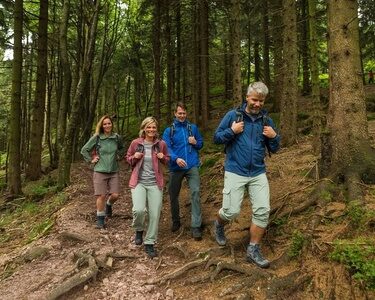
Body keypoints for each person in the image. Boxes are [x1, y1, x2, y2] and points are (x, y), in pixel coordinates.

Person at [213, 82, 280, 268]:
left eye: (261, 101)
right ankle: (219, 223)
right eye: (254, 100)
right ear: (247, 97)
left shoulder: (266, 120)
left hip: (258, 172)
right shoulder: (233, 116)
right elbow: (216, 138)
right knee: (231, 211)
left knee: (262, 211)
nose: (258, 104)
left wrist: (274, 137)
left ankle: (253, 249)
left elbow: (274, 148)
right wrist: (231, 131)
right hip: (235, 170)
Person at [126, 117, 170, 258]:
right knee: (139, 210)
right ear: (144, 128)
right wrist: (135, 156)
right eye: (148, 127)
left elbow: (167, 160)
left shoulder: (161, 144)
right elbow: (128, 158)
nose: (151, 130)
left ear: (156, 129)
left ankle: (149, 242)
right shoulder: (136, 143)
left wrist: (163, 157)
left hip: (155, 183)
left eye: (154, 127)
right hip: (138, 181)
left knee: (155, 214)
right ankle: (139, 228)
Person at [162, 102, 204, 240]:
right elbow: (166, 147)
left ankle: (196, 226)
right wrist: (175, 158)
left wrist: (195, 143)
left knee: (195, 192)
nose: (182, 115)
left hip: (192, 165)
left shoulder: (193, 128)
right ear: (175, 113)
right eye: (179, 113)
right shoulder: (169, 130)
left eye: (184, 113)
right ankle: (176, 221)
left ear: (186, 114)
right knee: (173, 195)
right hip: (176, 166)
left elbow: (200, 143)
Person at [81, 115, 125, 229]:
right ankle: (100, 220)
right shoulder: (97, 138)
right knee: (101, 195)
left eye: (109, 123)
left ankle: (109, 205)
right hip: (100, 170)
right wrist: (91, 160)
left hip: (113, 169)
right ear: (101, 125)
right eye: (105, 124)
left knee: (115, 195)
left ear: (112, 124)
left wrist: (119, 155)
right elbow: (84, 150)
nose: (107, 126)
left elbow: (121, 148)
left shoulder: (116, 137)